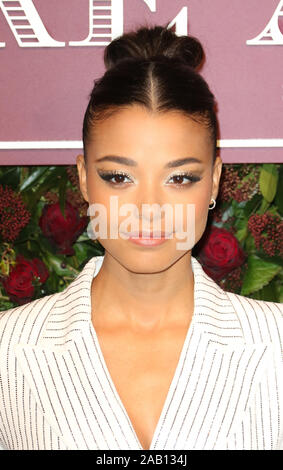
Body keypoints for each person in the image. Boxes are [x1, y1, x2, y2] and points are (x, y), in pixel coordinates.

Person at [0, 24, 282, 451]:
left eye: (181, 178)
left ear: (215, 182)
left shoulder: (276, 343)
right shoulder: (9, 349)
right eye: (118, 177)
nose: (148, 209)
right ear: (82, 179)